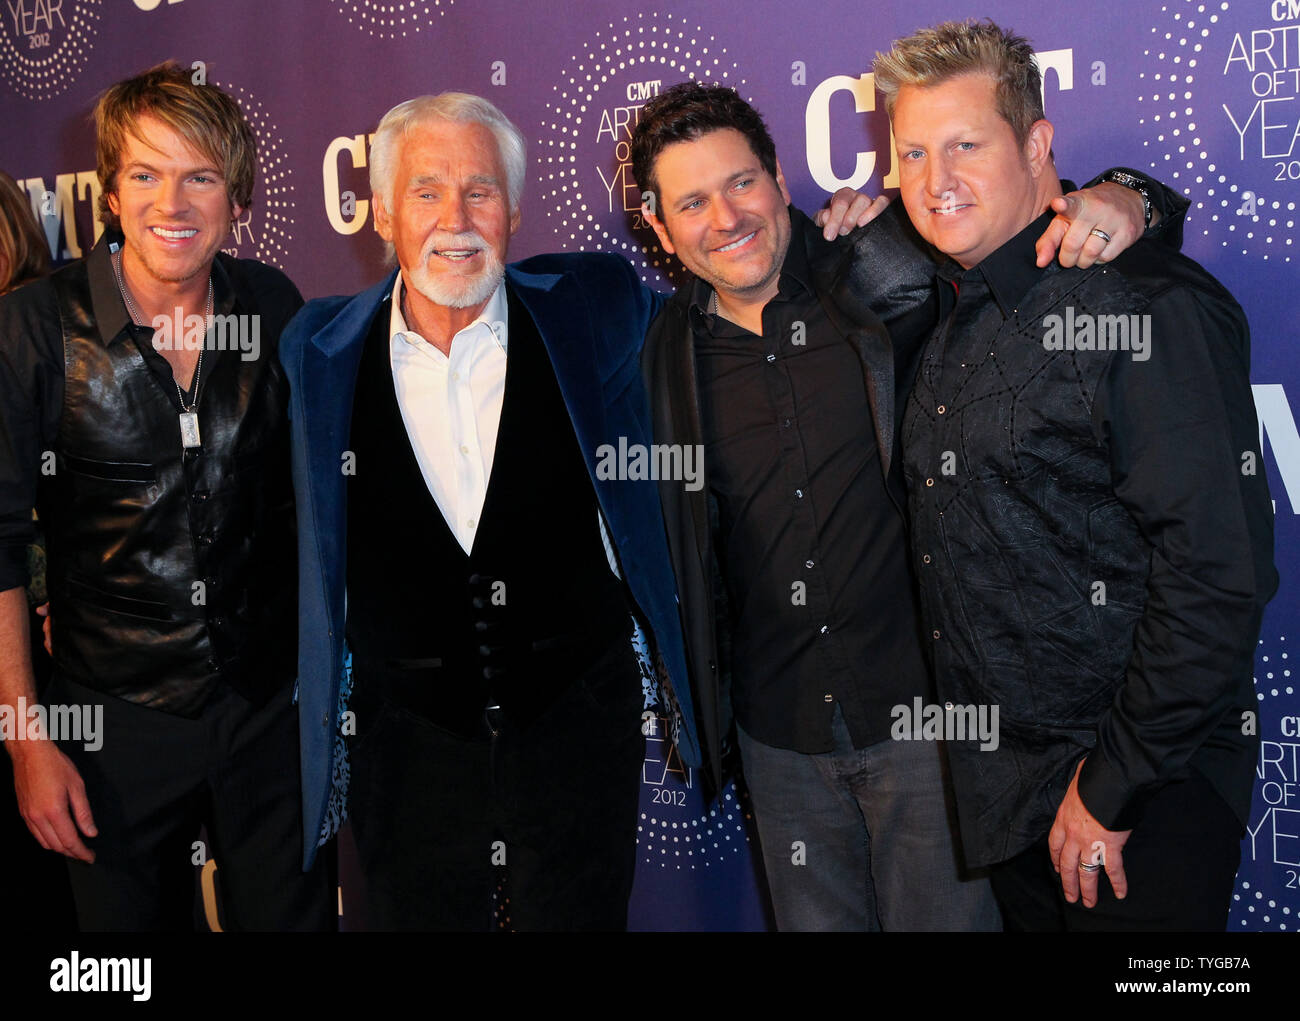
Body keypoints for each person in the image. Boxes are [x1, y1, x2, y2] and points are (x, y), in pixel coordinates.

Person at [629, 81, 1174, 930]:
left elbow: (1040, 227)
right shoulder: (655, 352)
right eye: (691, 202)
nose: (725, 216)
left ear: (777, 176)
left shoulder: (883, 266)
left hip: (932, 724)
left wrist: (1134, 197)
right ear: (659, 229)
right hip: (778, 745)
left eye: (740, 183)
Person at [876, 18, 1275, 930]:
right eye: (911, 153)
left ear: (1038, 144)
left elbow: (1217, 576)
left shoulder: (1146, 304)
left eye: (966, 144)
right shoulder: (952, 314)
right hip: (1016, 808)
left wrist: (1111, 789)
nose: (935, 182)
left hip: (1137, 812)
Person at [281, 92, 702, 931]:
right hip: (406, 749)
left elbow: (734, 301)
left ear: (513, 209)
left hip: (578, 725)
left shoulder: (594, 303)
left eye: (479, 191)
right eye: (427, 191)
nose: (456, 217)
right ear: (384, 213)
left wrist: (852, 247)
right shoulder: (314, 349)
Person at [0, 63, 334, 931]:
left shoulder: (273, 304)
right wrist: (28, 740)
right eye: (145, 174)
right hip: (113, 724)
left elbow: (311, 507)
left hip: (265, 715)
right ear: (110, 191)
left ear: (237, 196)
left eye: (199, 176)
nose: (171, 203)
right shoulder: (35, 328)